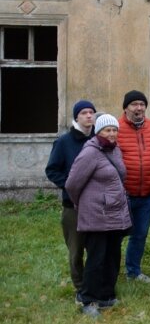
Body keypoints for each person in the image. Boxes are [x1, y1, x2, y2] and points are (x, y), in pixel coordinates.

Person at [65, 114, 131, 317]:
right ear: (98, 131)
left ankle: (106, 296)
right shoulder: (90, 153)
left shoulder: (114, 149)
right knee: (96, 259)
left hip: (115, 213)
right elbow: (72, 184)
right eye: (107, 130)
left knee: (112, 256)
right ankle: (88, 300)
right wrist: (83, 204)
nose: (111, 134)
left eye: (114, 130)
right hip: (97, 215)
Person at [45, 100, 96, 301]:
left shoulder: (99, 139)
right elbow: (52, 170)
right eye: (84, 112)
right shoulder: (64, 142)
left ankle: (95, 284)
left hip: (95, 206)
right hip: (73, 206)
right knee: (76, 251)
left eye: (91, 112)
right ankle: (80, 288)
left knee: (96, 248)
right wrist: (70, 185)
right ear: (76, 117)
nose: (89, 116)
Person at [117, 90, 150, 283]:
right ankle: (110, 270)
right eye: (134, 104)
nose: (139, 108)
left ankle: (133, 271)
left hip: (147, 194)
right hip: (123, 195)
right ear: (126, 107)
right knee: (116, 235)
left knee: (140, 234)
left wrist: (148, 171)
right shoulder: (116, 128)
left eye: (142, 104)